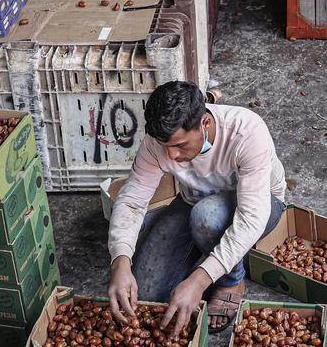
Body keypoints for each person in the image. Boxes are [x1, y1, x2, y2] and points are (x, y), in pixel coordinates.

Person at [106, 81, 287, 334]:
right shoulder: (156, 144)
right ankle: (204, 255)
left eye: (180, 145)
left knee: (208, 218)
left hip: (261, 203)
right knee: (147, 294)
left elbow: (251, 219)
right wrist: (120, 261)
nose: (171, 156)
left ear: (206, 124)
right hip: (192, 202)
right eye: (166, 146)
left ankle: (231, 281)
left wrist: (199, 281)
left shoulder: (246, 131)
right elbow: (132, 200)